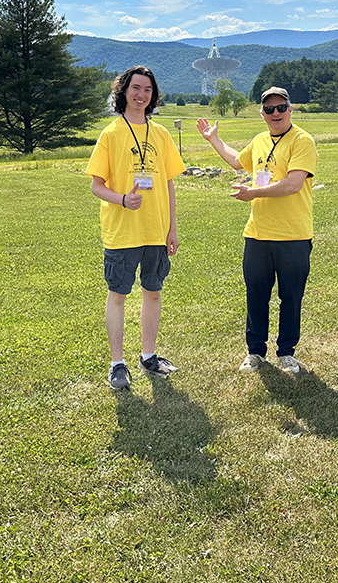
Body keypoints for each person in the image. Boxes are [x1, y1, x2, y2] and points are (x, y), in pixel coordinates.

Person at [196, 86, 318, 374]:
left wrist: (253, 194)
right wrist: (214, 139)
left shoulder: (302, 141)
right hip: (258, 234)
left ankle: (286, 352)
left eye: (280, 107)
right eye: (269, 109)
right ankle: (255, 352)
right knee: (256, 294)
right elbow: (238, 161)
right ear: (262, 113)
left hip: (293, 235)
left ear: (291, 109)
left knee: (290, 296)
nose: (275, 113)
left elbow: (293, 184)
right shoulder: (261, 140)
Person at [87, 66, 185, 390]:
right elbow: (96, 186)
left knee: (153, 293)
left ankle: (149, 356)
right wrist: (121, 199)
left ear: (153, 96)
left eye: (147, 90)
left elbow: (169, 184)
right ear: (124, 91)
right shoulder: (112, 133)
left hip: (156, 231)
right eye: (136, 88)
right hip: (122, 231)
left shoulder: (161, 135)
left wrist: (171, 228)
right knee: (118, 295)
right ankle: (118, 364)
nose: (141, 95)